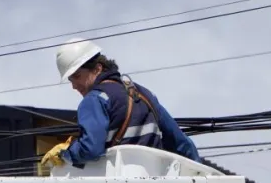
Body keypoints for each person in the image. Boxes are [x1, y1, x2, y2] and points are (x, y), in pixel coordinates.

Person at [40, 38, 201, 170]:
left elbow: (91, 149)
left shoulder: (94, 100)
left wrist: (66, 153)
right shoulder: (144, 94)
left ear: (97, 68)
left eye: (77, 76)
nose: (74, 85)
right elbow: (182, 144)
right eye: (70, 79)